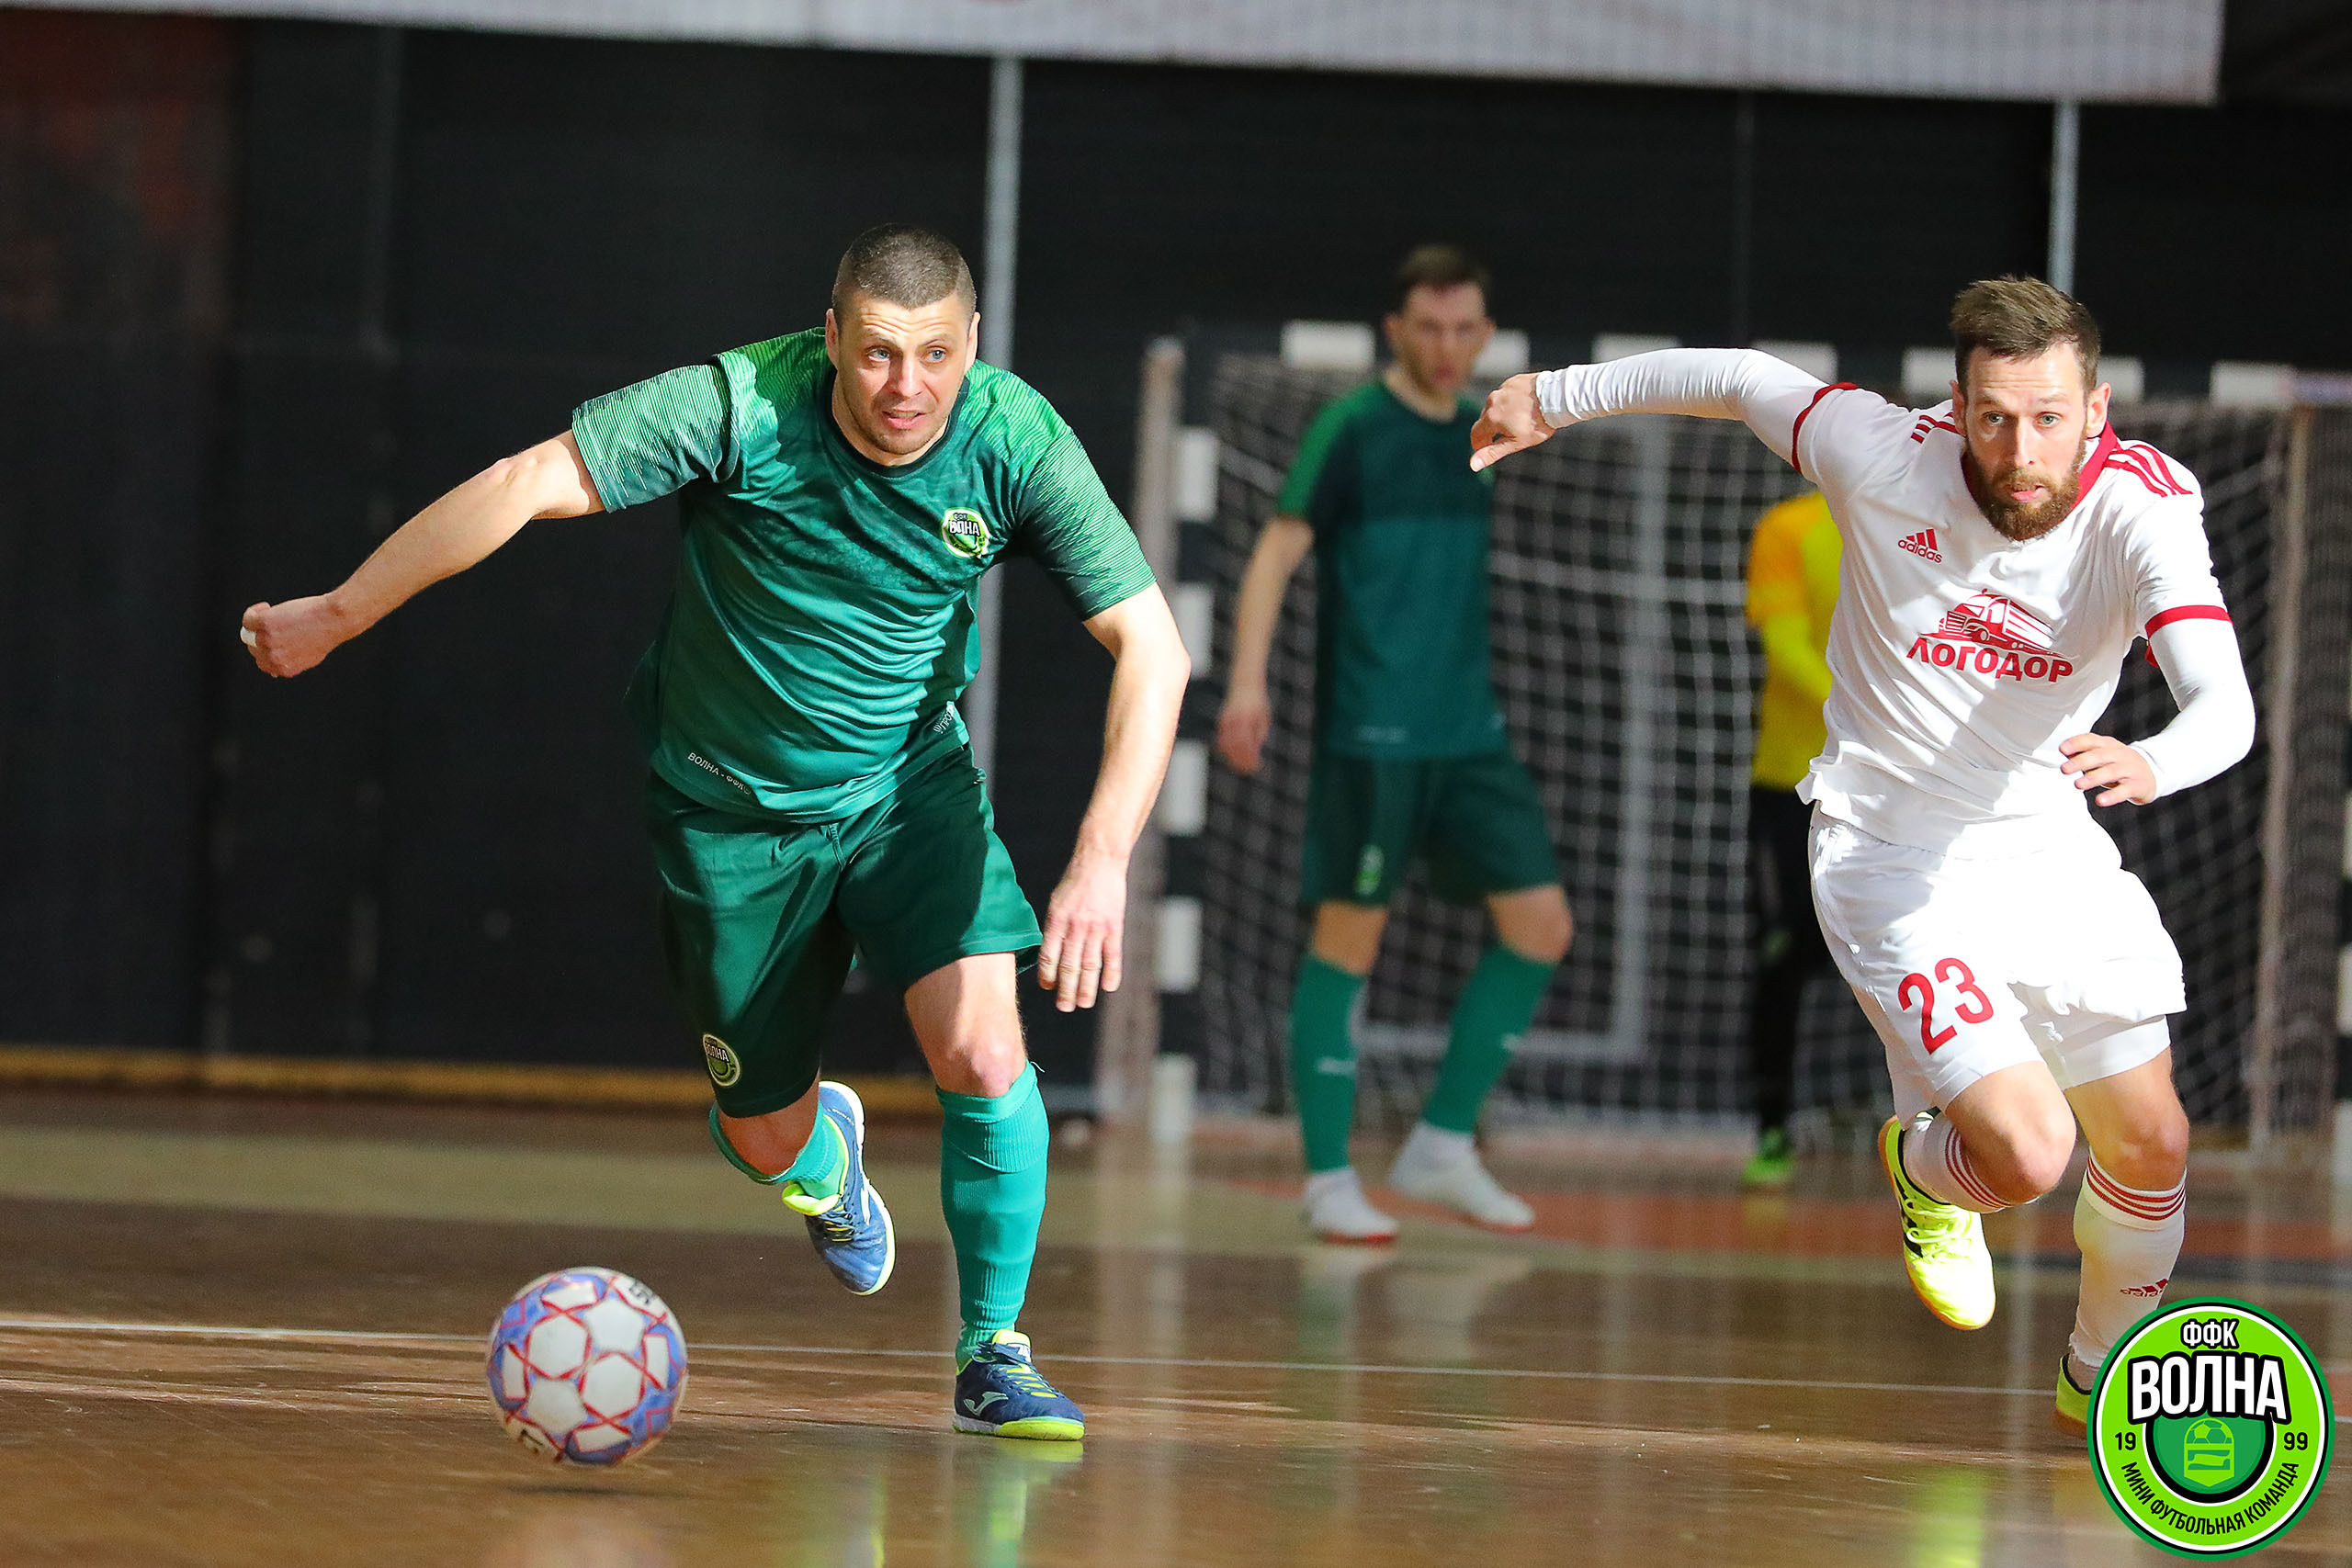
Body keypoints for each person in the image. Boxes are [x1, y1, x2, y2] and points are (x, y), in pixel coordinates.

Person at [239, 224, 1191, 1441]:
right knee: (761, 1131)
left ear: (972, 345)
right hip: (727, 817)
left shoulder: (1015, 439)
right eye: (879, 352)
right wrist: (340, 611)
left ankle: (993, 1350)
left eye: (936, 355)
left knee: (981, 1048)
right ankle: (816, 1163)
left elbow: (1153, 649)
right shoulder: (739, 406)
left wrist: (1102, 858)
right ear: (832, 337)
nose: (907, 386)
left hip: (906, 789)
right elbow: (526, 481)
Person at [1469, 276, 2253, 1436]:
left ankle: (2097, 1377)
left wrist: (2154, 760)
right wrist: (1555, 395)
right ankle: (1921, 1167)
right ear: (1958, 406)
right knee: (2029, 1154)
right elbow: (1739, 378)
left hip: (2048, 849)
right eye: (1994, 418)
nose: (2019, 451)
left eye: (2047, 418)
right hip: (1887, 854)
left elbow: (2224, 708)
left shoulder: (2144, 509)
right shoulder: (1880, 453)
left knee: (2153, 1139)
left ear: (2095, 410)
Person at [1219, 245, 1574, 1242]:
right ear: (1395, 331)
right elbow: (1276, 550)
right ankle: (1327, 1177)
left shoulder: (1485, 425)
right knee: (1350, 939)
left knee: (1541, 925)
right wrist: (1245, 682)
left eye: (1465, 330)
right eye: (1429, 328)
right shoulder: (1352, 428)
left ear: (1485, 334)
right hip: (1373, 733)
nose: (1448, 346)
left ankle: (1443, 1144)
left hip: (1469, 735)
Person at [1739, 490, 1841, 1190]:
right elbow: (1785, 645)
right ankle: (1772, 1126)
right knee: (1782, 952)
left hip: (1902, 789)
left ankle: (1941, 1133)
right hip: (1793, 781)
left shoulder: (1932, 522)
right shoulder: (1791, 527)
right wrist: (1870, 716)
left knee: (1917, 957)